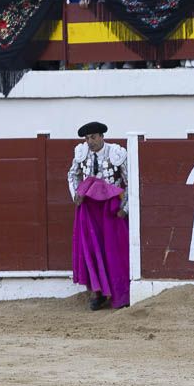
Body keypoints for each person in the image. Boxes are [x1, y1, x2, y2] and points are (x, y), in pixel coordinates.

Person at [68, 121, 129, 311]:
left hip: (110, 208)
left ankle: (120, 293)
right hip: (88, 208)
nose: (90, 142)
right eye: (87, 138)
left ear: (102, 136)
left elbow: (130, 181)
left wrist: (124, 208)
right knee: (91, 250)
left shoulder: (116, 153)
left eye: (93, 137)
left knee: (114, 251)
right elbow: (73, 175)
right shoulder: (81, 153)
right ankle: (97, 292)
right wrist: (76, 195)